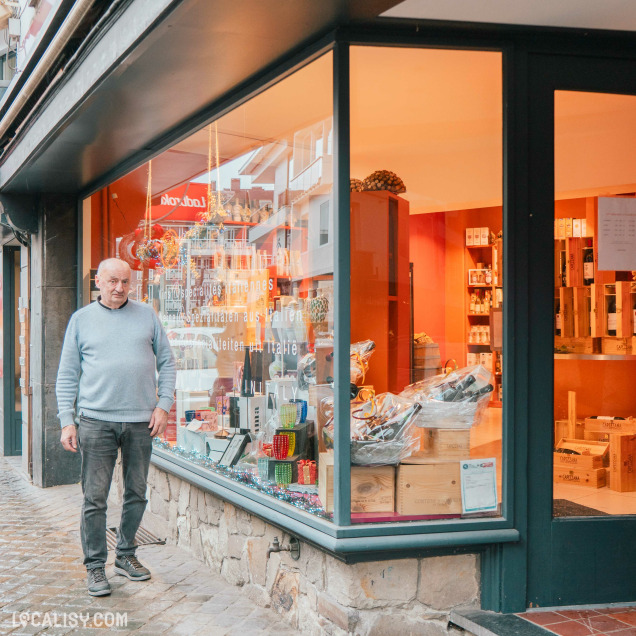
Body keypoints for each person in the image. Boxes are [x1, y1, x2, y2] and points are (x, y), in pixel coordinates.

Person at [56, 258, 176, 597]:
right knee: (95, 498)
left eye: (125, 281)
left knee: (136, 493)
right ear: (98, 281)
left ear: (132, 283)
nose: (119, 288)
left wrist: (164, 405)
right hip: (95, 422)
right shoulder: (81, 320)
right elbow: (67, 375)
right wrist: (67, 420)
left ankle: (126, 555)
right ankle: (95, 567)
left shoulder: (147, 316)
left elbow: (167, 363)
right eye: (112, 281)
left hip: (141, 421)